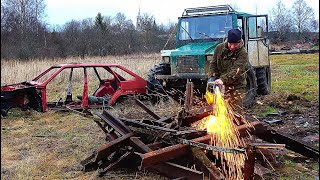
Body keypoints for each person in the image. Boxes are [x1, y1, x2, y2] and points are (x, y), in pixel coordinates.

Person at [208, 28, 249, 112]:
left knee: (235, 112)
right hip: (220, 84)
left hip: (237, 85)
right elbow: (213, 64)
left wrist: (222, 79)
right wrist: (212, 77)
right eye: (230, 44)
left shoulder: (243, 53)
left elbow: (236, 71)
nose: (232, 47)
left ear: (240, 42)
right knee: (218, 110)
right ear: (227, 41)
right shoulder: (219, 48)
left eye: (235, 45)